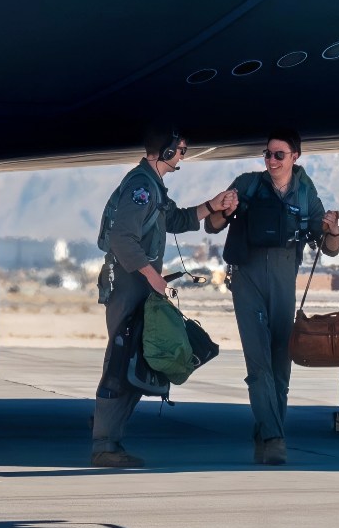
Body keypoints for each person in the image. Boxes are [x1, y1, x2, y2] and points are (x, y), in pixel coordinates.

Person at [91, 126, 238, 468]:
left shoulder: (153, 186)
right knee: (123, 359)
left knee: (138, 359)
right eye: (180, 150)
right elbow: (122, 239)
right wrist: (154, 277)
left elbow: (175, 218)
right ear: (165, 152)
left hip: (139, 281)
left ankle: (108, 434)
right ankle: (104, 443)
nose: (183, 155)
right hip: (128, 283)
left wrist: (211, 206)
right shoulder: (142, 187)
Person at [204, 129, 339, 465]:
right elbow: (213, 225)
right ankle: (274, 437)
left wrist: (333, 230)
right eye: (268, 154)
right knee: (258, 362)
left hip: (283, 280)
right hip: (247, 278)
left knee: (280, 364)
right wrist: (223, 208)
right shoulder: (248, 184)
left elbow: (328, 247)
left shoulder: (307, 193)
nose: (272, 160)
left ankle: (266, 433)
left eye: (279, 154)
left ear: (295, 156)